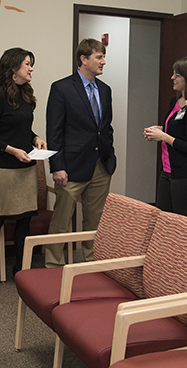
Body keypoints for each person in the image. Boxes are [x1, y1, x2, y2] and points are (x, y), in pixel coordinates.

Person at [0, 47, 47, 295]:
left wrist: (36, 138)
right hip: (5, 167)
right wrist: (12, 150)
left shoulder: (25, 95)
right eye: (27, 64)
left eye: (31, 64)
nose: (31, 69)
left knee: (25, 218)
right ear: (13, 67)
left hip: (26, 166)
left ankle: (20, 270)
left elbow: (21, 129)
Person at [45, 38, 116, 267]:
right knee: (62, 219)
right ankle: (53, 265)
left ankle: (91, 262)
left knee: (95, 220)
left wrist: (110, 153)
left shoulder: (105, 90)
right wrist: (57, 166)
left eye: (103, 56)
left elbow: (106, 127)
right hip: (71, 167)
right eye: (99, 57)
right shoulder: (62, 88)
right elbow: (54, 131)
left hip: (100, 166)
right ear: (83, 59)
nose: (103, 61)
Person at [144, 56, 187, 219]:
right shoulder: (176, 100)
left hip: (186, 174)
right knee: (163, 218)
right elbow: (177, 130)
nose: (172, 78)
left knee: (181, 223)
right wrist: (159, 130)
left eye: (177, 74)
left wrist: (164, 136)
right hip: (168, 171)